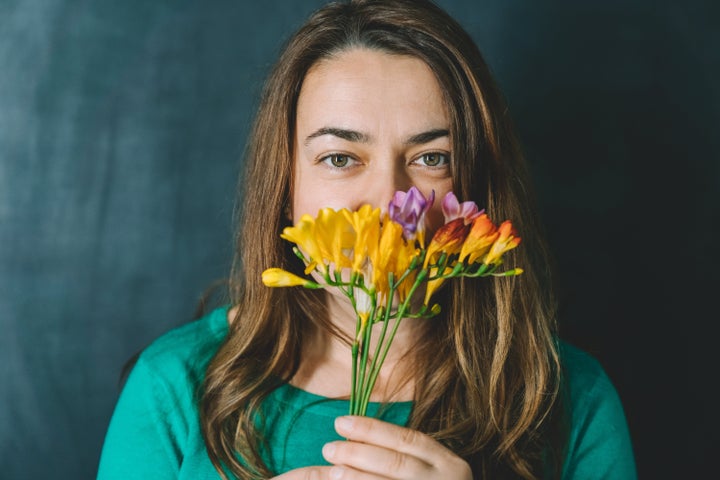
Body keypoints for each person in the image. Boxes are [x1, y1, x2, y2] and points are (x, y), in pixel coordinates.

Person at [96, 1, 637, 479]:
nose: (387, 203)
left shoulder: (573, 403)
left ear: (479, 187)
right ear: (287, 188)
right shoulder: (173, 390)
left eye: (431, 158)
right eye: (339, 158)